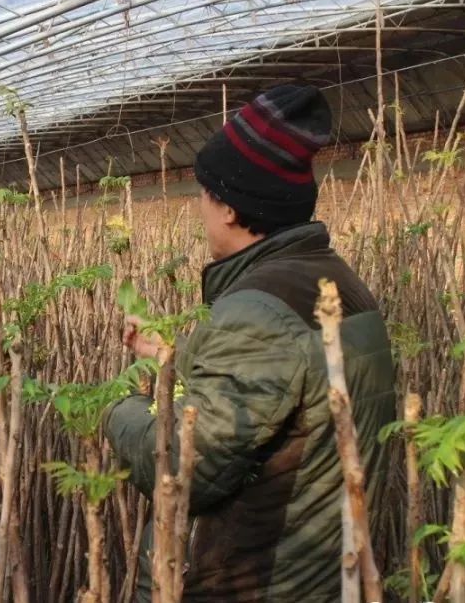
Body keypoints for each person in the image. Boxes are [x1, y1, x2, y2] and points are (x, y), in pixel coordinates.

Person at [105, 85, 395, 602]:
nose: (200, 210)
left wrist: (117, 409)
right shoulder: (336, 281)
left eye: (204, 194)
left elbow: (184, 469)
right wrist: (168, 356)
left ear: (231, 210)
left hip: (260, 582)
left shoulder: (257, 310)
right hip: (325, 576)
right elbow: (287, 400)